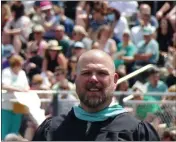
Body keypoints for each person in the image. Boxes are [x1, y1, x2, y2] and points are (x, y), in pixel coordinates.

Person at [32, 49, 160, 141]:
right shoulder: (51, 131)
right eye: (86, 73)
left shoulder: (137, 133)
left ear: (115, 80)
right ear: (75, 78)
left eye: (102, 73)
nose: (93, 79)